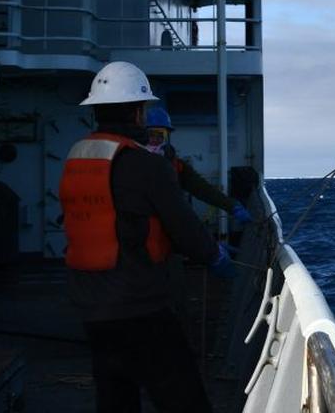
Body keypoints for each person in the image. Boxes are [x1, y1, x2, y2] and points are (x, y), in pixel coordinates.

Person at [59, 61, 234, 413]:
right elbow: (183, 227)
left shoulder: (77, 156)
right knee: (184, 398)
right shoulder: (147, 165)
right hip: (139, 303)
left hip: (92, 304)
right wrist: (214, 255)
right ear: (138, 112)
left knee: (115, 397)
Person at [145, 106, 252, 226]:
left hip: (169, 225)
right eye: (151, 134)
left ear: (167, 137)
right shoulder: (134, 162)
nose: (155, 139)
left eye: (160, 135)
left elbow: (203, 189)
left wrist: (232, 206)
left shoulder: (177, 165)